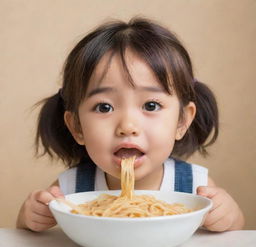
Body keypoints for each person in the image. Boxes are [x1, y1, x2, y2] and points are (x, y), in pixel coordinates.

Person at [16, 17, 244, 232]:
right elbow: (23, 236)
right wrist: (30, 218)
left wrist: (229, 217)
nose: (127, 125)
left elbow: (235, 235)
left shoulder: (195, 186)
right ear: (76, 126)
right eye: (104, 107)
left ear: (182, 121)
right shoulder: (70, 190)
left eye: (151, 105)